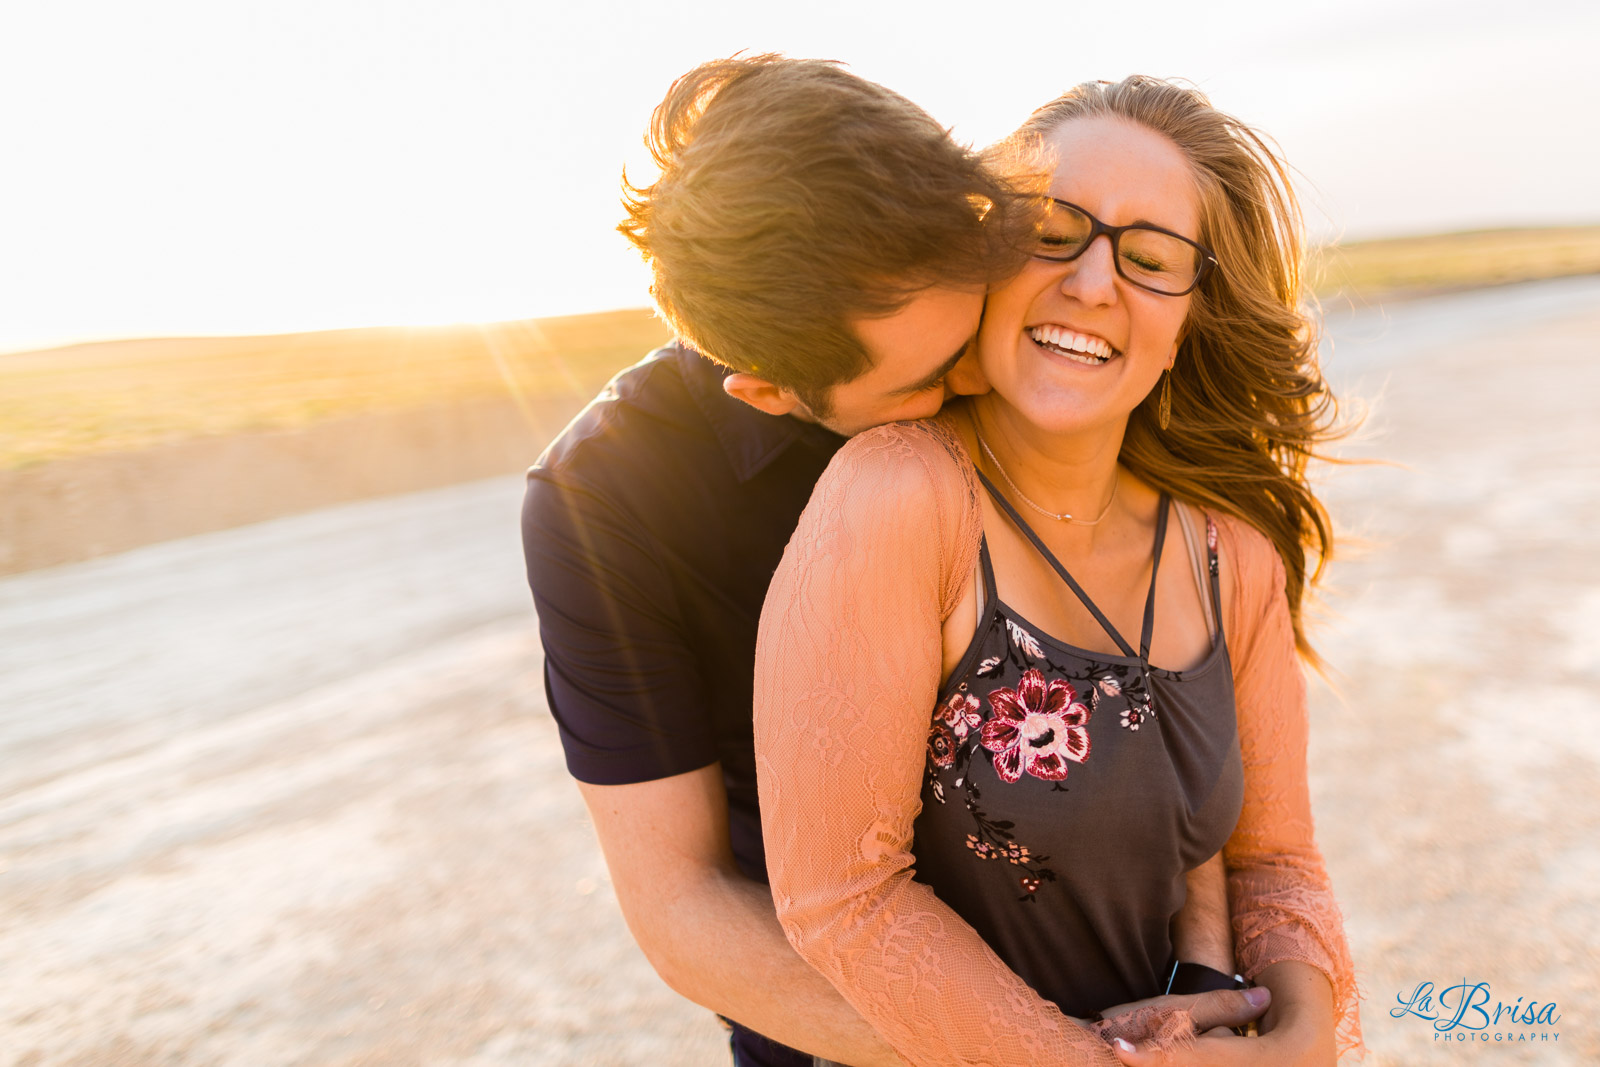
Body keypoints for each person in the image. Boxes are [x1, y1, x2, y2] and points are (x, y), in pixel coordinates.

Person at [523, 58, 1266, 1067]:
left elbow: (1172, 707)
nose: (984, 379)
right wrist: (1052, 1054)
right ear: (771, 392)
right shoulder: (607, 499)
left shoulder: (1030, 328)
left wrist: (1206, 977)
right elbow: (682, 905)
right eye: (934, 375)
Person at [753, 76, 1362, 1066]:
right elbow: (843, 898)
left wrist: (1297, 1041)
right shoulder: (900, 494)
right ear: (986, 260)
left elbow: (1276, 862)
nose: (1091, 282)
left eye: (1151, 258)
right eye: (1051, 230)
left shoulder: (1229, 554)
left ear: (1189, 323)